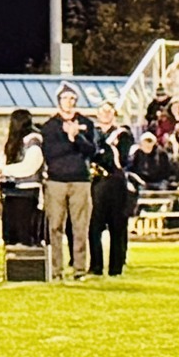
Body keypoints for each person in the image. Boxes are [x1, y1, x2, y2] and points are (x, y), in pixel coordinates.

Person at [40, 85, 97, 279]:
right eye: (65, 98)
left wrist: (76, 137)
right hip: (56, 181)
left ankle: (79, 269)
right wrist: (67, 140)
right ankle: (56, 270)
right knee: (55, 226)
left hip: (80, 180)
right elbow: (50, 153)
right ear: (58, 101)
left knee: (80, 227)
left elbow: (92, 151)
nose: (69, 101)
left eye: (72, 98)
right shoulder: (49, 126)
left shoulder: (86, 123)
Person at [87, 107, 138, 278]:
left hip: (116, 183)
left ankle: (116, 266)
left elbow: (120, 159)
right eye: (103, 111)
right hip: (96, 183)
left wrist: (102, 154)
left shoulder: (123, 134)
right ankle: (96, 266)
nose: (106, 114)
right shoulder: (92, 133)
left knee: (118, 225)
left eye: (110, 111)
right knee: (94, 225)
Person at [0, 110, 46, 248]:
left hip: (27, 191)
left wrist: (5, 170)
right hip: (11, 190)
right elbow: (2, 160)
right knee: (11, 233)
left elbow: (31, 166)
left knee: (25, 232)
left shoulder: (33, 140)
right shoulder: (12, 141)